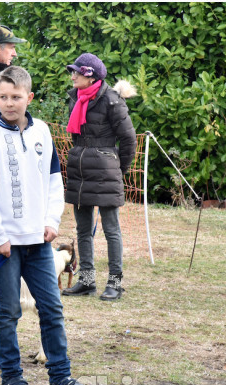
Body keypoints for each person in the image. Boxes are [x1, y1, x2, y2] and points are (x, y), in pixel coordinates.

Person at [0, 66, 99, 385]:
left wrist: (51, 220)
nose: (9, 103)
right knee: (8, 311)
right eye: (2, 97)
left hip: (39, 243)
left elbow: (55, 179)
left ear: (29, 97)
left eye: (16, 97)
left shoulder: (41, 131)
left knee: (52, 309)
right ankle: (12, 379)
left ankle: (62, 380)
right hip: (5, 246)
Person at [60, 53, 137, 301]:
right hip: (80, 171)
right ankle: (87, 281)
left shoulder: (113, 101)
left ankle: (115, 282)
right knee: (83, 230)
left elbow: (128, 140)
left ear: (90, 75)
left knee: (111, 230)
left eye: (77, 72)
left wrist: (116, 168)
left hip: (105, 172)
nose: (73, 76)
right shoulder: (74, 98)